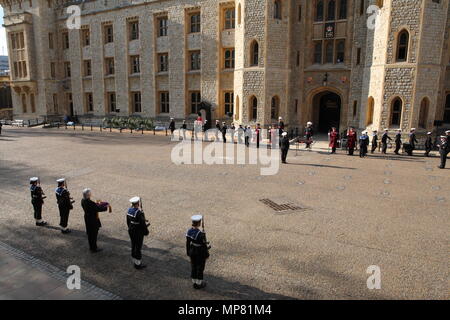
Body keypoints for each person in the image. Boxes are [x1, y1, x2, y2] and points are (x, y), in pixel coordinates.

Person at [81, 188, 110, 253]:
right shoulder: (90, 203)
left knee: (90, 234)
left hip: (87, 218)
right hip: (92, 220)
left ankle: (92, 247)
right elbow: (98, 208)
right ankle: (94, 248)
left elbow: (94, 207)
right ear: (88, 195)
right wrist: (106, 207)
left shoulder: (83, 200)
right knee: (93, 234)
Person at [186, 215, 209, 289]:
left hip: (192, 250)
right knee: (200, 267)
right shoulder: (200, 234)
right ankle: (199, 283)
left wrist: (188, 252)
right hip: (199, 252)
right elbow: (204, 245)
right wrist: (207, 254)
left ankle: (194, 282)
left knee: (193, 266)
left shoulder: (189, 231)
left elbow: (187, 243)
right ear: (199, 224)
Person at [127, 197, 150, 270]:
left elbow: (128, 221)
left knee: (133, 245)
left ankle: (134, 260)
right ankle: (137, 264)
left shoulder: (129, 210)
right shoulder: (138, 212)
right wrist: (146, 232)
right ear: (138, 204)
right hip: (138, 232)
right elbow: (142, 224)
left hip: (131, 230)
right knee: (138, 247)